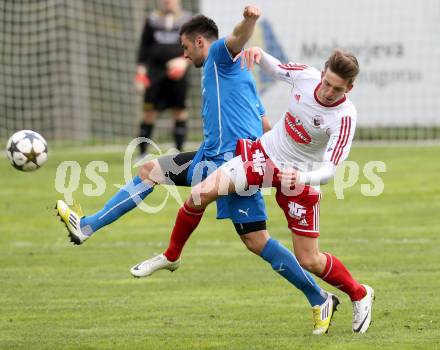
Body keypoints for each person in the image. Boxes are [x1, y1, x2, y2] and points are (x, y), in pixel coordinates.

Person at [56, 7, 338, 335]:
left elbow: (236, 38)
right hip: (214, 158)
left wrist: (250, 20)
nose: (184, 56)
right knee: (154, 172)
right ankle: (88, 226)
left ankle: (318, 297)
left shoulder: (220, 56)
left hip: (234, 165)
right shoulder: (238, 76)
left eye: (186, 48)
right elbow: (264, 123)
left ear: (201, 41)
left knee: (256, 239)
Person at [138, 46, 375, 333]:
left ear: (350, 87)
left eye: (336, 89)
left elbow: (330, 169)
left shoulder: (344, 117)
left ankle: (359, 294)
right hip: (263, 157)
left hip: (298, 179)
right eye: (327, 83)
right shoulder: (307, 77)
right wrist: (258, 53)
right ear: (322, 73)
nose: (327, 92)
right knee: (201, 193)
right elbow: (275, 68)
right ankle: (171, 256)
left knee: (309, 259)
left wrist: (302, 176)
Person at [135, 0, 192, 153]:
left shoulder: (188, 20)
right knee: (149, 112)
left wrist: (184, 61)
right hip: (154, 73)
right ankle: (142, 154)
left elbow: (197, 47)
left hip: (178, 74)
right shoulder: (152, 19)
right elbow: (144, 47)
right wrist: (140, 74)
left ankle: (178, 152)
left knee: (179, 111)